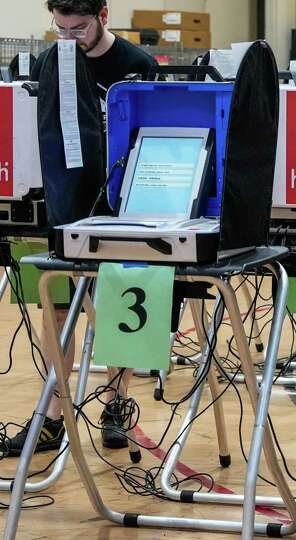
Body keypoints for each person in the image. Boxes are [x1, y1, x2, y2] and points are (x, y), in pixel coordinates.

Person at [5, 0, 157, 457]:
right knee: (55, 310)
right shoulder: (47, 63)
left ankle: (117, 401)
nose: (70, 37)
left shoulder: (137, 65)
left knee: (116, 306)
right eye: (61, 28)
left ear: (104, 15)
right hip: (60, 202)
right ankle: (54, 414)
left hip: (119, 206)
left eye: (80, 28)